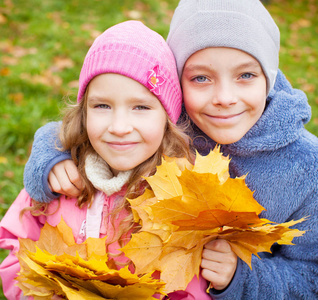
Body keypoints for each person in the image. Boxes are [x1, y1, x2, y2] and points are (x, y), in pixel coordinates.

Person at [14, 0, 318, 298]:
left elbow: (311, 280)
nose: (224, 97)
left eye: (246, 75)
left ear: (270, 76)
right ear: (176, 86)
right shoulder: (163, 122)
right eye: (201, 77)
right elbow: (89, 120)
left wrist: (240, 279)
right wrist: (49, 156)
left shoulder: (307, 167)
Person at [0, 20, 219, 300]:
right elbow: (17, 251)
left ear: (167, 120)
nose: (119, 126)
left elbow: (191, 289)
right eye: (102, 106)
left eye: (140, 107)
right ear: (83, 112)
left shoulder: (181, 200)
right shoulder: (56, 177)